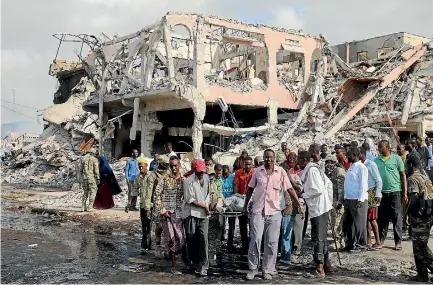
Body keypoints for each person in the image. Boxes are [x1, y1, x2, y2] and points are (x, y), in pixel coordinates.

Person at [244, 149, 303, 280]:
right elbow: (250, 189)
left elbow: (289, 189)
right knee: (255, 239)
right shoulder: (257, 171)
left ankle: (268, 269)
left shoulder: (280, 171)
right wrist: (245, 205)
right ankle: (253, 269)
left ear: (275, 158)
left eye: (270, 157)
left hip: (275, 212)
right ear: (263, 158)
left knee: (271, 242)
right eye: (266, 157)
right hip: (258, 211)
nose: (268, 160)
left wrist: (299, 204)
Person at [300, 145, 333, 277]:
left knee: (319, 238)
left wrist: (304, 195)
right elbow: (328, 184)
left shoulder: (312, 170)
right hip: (321, 207)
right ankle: (325, 264)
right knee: (321, 238)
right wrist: (328, 201)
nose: (298, 161)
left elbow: (317, 189)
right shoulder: (314, 168)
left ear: (305, 160)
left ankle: (320, 267)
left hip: (319, 208)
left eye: (299, 159)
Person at [155, 156, 187, 274]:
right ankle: (174, 265)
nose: (174, 168)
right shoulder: (164, 179)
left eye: (176, 165)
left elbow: (186, 197)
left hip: (179, 214)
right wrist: (162, 210)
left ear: (179, 165)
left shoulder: (183, 180)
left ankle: (183, 258)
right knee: (171, 239)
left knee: (181, 238)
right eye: (172, 165)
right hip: (167, 214)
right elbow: (156, 195)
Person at [404, 155, 433, 282]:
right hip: (428, 215)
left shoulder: (413, 178)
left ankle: (424, 273)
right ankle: (422, 274)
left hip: (420, 217)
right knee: (420, 245)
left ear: (410, 165)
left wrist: (406, 214)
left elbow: (413, 198)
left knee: (419, 246)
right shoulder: (425, 176)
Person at [375, 140, 407, 250]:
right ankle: (381, 240)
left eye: (380, 147)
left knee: (397, 217)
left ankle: (398, 242)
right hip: (382, 193)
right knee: (382, 218)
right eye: (378, 147)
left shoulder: (397, 159)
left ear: (387, 148)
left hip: (395, 192)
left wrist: (405, 193)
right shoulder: (376, 160)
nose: (379, 149)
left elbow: (403, 175)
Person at [183, 160, 211, 276]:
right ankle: (193, 262)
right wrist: (204, 206)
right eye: (199, 172)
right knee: (192, 238)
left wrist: (208, 205)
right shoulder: (189, 181)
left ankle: (204, 265)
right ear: (194, 170)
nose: (201, 174)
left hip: (204, 214)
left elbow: (208, 194)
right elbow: (190, 200)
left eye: (203, 172)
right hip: (191, 213)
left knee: (204, 239)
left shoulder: (207, 178)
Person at [343, 147, 369, 252]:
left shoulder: (361, 167)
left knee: (359, 224)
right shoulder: (351, 166)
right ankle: (350, 244)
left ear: (354, 155)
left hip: (358, 200)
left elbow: (363, 184)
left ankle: (361, 245)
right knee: (349, 224)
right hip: (349, 199)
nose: (347, 157)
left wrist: (361, 199)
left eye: (349, 155)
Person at [280, 152, 304, 263]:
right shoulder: (285, 171)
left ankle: (286, 256)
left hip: (290, 205)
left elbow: (297, 189)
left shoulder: (294, 172)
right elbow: (291, 188)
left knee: (289, 232)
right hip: (286, 205)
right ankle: (285, 256)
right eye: (290, 158)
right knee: (286, 232)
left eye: (295, 158)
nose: (293, 160)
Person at [359, 147, 383, 250]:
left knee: (372, 219)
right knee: (366, 220)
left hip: (372, 193)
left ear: (362, 154)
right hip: (365, 193)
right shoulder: (360, 165)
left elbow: (378, 180)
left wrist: (378, 194)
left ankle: (378, 242)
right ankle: (369, 241)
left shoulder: (371, 164)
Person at [147, 155, 171, 245]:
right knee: (159, 225)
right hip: (157, 202)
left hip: (168, 202)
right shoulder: (153, 175)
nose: (168, 165)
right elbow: (149, 191)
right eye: (166, 164)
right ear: (161, 164)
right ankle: (157, 240)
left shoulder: (169, 173)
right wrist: (148, 205)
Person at [233, 156, 254, 254]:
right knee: (242, 224)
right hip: (242, 199)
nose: (248, 166)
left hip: (253, 200)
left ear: (252, 164)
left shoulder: (255, 172)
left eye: (250, 164)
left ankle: (252, 245)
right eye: (246, 164)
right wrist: (236, 198)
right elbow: (236, 187)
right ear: (243, 164)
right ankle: (244, 245)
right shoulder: (238, 173)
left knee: (252, 224)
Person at [324, 154, 346, 250]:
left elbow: (340, 187)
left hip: (337, 201)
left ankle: (337, 241)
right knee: (335, 221)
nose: (328, 164)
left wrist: (339, 202)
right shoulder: (332, 171)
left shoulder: (338, 171)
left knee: (336, 222)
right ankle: (338, 240)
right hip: (333, 200)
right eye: (326, 162)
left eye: (330, 162)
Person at [134, 158, 152, 252]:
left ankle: (148, 245)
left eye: (142, 166)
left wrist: (149, 207)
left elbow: (151, 193)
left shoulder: (151, 176)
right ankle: (145, 245)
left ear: (146, 166)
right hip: (142, 206)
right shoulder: (138, 177)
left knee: (150, 226)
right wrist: (129, 203)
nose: (141, 168)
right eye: (139, 166)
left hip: (151, 206)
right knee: (144, 226)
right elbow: (134, 190)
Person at [221, 165, 236, 251]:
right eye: (224, 174)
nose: (225, 175)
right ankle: (221, 241)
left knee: (231, 224)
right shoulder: (220, 178)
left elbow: (235, 189)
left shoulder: (232, 178)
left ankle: (230, 243)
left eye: (226, 174)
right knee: (221, 224)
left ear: (229, 172)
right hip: (222, 204)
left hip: (231, 204)